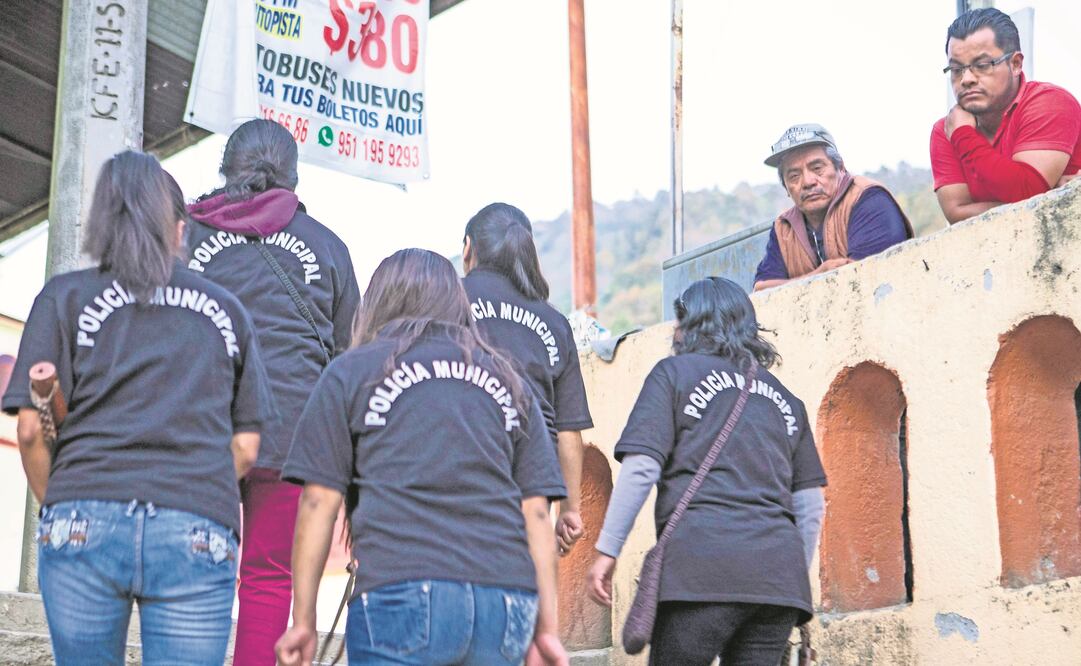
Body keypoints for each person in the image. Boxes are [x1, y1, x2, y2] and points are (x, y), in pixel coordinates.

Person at [1, 151, 275, 664]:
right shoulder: (227, 312)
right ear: (178, 230)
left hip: (84, 514)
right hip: (195, 524)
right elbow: (247, 446)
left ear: (102, 225)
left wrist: (63, 500)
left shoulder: (64, 297)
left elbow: (34, 432)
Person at [275, 249, 570, 666]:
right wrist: (547, 631)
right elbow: (537, 512)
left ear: (377, 303)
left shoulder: (351, 372)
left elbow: (319, 500)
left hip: (401, 592)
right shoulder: (509, 380)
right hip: (504, 601)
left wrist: (302, 620)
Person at [187, 118, 361, 665]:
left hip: (199, 429)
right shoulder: (328, 247)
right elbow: (349, 361)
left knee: (193, 572)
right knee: (267, 577)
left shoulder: (182, 236)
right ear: (293, 178)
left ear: (225, 170)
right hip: (292, 433)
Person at [586, 277, 827, 665]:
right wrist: (787, 575)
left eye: (679, 321)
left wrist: (607, 551)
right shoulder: (787, 400)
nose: (675, 332)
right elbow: (811, 505)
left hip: (701, 569)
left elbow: (641, 469)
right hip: (778, 582)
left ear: (691, 325)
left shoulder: (673, 375)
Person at [462, 203, 593, 556]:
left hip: (460, 460)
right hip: (532, 478)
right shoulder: (554, 322)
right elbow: (568, 430)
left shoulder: (448, 299)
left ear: (468, 249)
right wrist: (570, 510)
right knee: (519, 589)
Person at [931, 8, 1081, 224]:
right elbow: (957, 214)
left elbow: (1026, 190)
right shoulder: (947, 129)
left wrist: (964, 137)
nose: (966, 79)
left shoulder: (1050, 102)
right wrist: (1044, 198)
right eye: (956, 69)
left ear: (1016, 64)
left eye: (982, 65)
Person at [753, 124, 913, 292]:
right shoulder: (783, 228)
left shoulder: (868, 199)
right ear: (786, 187)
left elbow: (866, 279)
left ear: (840, 167)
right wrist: (817, 276)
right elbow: (762, 289)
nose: (808, 181)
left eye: (817, 168)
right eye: (794, 176)